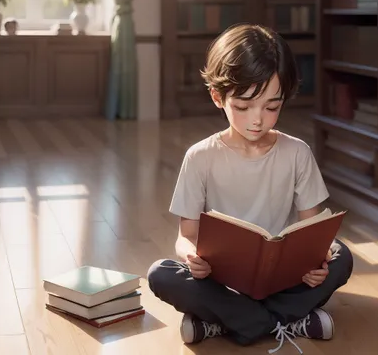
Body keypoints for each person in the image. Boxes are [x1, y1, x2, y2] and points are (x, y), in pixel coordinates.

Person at [146, 23, 354, 354]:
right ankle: (287, 321)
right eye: (243, 106)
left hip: (283, 279)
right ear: (218, 97)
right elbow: (186, 236)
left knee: (342, 255)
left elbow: (312, 232)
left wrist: (319, 264)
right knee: (160, 274)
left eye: (272, 106)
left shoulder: (297, 152)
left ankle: (223, 323)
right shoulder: (200, 157)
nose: (257, 119)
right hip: (222, 280)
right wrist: (191, 256)